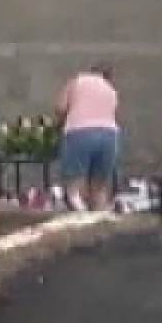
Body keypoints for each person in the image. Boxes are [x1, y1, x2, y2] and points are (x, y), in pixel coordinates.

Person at [55, 64, 120, 214]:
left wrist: (60, 126)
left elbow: (60, 107)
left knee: (74, 188)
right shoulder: (111, 90)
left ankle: (80, 218)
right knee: (99, 189)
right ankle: (99, 224)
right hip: (109, 135)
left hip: (79, 132)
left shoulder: (78, 80)